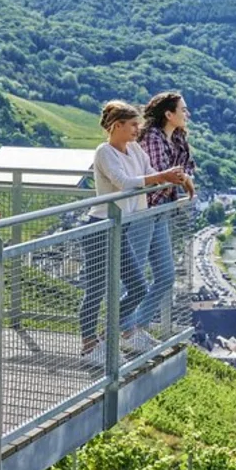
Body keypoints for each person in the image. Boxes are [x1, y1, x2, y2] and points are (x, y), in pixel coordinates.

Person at [78, 100, 185, 364]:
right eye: (133, 125)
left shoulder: (135, 150)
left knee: (137, 286)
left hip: (121, 226)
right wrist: (163, 177)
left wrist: (170, 176)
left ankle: (111, 332)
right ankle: (89, 345)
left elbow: (149, 174)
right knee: (96, 289)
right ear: (117, 126)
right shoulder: (104, 152)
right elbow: (124, 183)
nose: (138, 129)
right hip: (100, 228)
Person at [131, 92, 195, 339]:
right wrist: (182, 179)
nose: (186, 114)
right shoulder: (153, 138)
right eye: (183, 110)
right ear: (169, 115)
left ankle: (135, 326)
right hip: (144, 211)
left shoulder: (177, 138)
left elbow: (185, 170)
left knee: (166, 276)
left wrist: (182, 177)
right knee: (133, 275)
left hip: (160, 212)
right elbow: (162, 174)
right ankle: (127, 329)